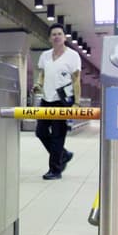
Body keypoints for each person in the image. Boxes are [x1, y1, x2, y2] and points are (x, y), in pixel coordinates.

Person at [34, 23, 81, 180]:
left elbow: (76, 80)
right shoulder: (45, 55)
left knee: (57, 136)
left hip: (62, 101)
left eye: (59, 34)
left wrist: (77, 102)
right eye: (53, 34)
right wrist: (38, 84)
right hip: (46, 99)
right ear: (49, 38)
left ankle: (55, 170)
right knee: (40, 132)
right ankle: (64, 154)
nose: (56, 36)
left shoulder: (72, 56)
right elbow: (42, 73)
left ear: (64, 37)